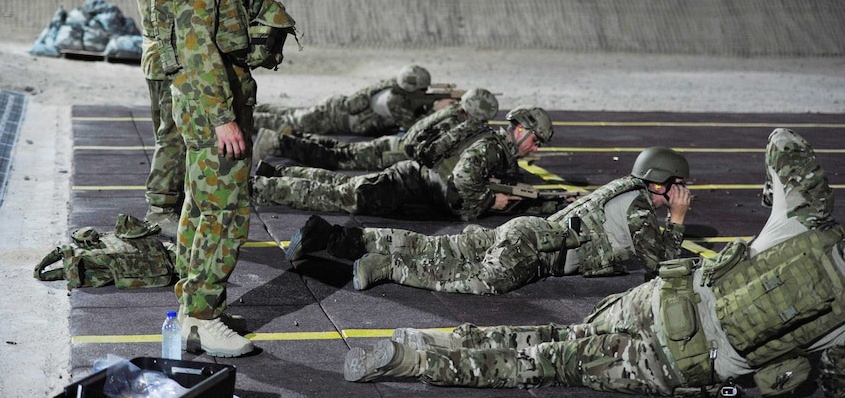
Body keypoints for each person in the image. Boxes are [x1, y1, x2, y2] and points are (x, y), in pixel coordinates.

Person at [343, 128, 845, 398]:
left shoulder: (804, 229)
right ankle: (418, 356)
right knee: (542, 357)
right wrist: (676, 219)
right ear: (666, 183)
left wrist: (795, 207)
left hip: (648, 302)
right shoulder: (648, 213)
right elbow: (660, 255)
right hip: (672, 362)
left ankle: (368, 255)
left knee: (462, 265)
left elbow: (785, 144)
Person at [152, 0, 291, 357]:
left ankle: (195, 307)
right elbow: (195, 48)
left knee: (200, 207)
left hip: (217, 101)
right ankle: (202, 319)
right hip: (213, 107)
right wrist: (223, 118)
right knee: (224, 213)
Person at [285, 146, 691, 293]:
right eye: (677, 184)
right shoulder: (639, 207)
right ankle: (387, 266)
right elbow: (661, 268)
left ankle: (334, 237)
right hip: (534, 248)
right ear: (663, 182)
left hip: (526, 233)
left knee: (438, 246)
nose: (680, 191)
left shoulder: (622, 187)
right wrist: (676, 218)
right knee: (475, 281)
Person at [252, 106, 564, 221]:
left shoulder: (495, 147)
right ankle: (258, 188)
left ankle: (276, 172)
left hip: (410, 182)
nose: (534, 147)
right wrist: (490, 199)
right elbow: (464, 180)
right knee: (338, 196)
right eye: (535, 140)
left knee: (339, 185)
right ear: (521, 129)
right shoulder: (491, 149)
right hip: (407, 186)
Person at [252, 87, 500, 169]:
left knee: (337, 149)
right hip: (394, 152)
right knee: (335, 157)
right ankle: (278, 143)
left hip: (393, 146)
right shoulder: (454, 121)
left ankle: (284, 138)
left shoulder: (450, 112)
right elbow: (424, 142)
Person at [135, 0, 190, 237]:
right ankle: (160, 206)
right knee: (171, 135)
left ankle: (170, 200)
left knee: (167, 132)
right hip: (167, 59)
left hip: (153, 57)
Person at [252, 64, 452, 136]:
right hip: (334, 116)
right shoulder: (394, 101)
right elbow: (414, 127)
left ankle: (255, 108)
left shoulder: (397, 86)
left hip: (337, 107)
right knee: (291, 123)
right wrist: (436, 111)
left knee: (290, 114)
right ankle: (248, 119)